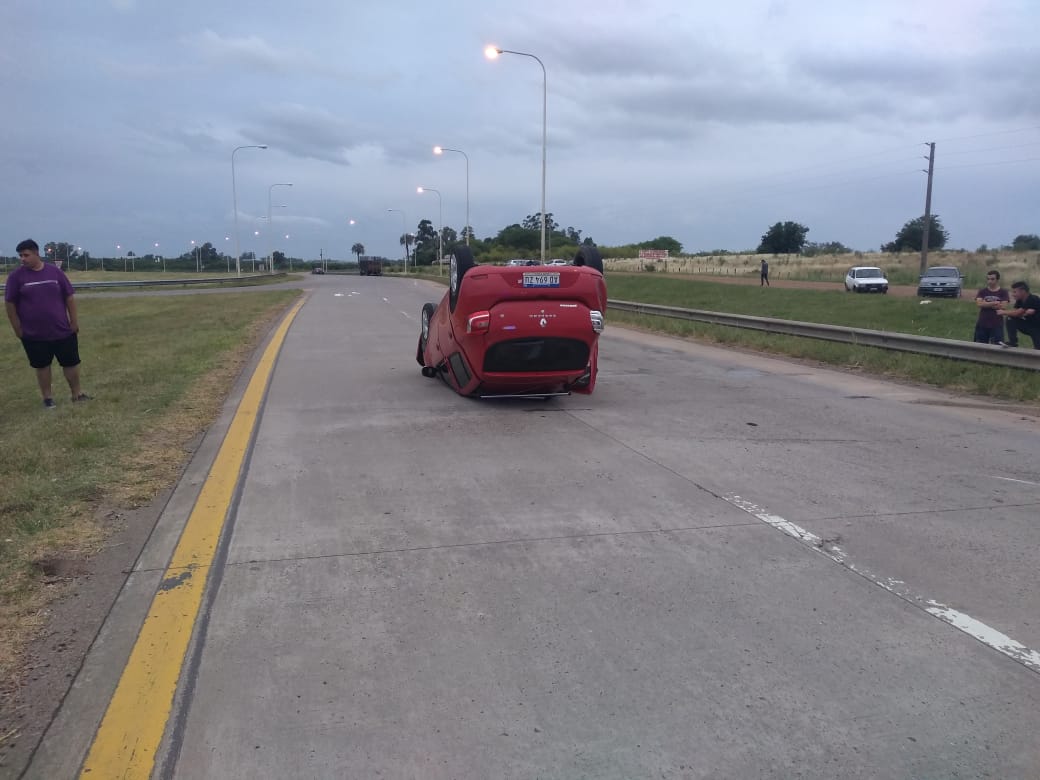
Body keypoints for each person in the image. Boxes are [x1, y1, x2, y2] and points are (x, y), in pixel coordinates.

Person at [4, 239, 90, 408]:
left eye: (26, 255)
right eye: (20, 256)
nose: (23, 259)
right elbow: (10, 303)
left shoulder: (54, 272)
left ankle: (77, 394)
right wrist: (17, 328)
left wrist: (73, 321)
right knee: (42, 366)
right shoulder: (16, 277)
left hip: (62, 330)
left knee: (70, 363)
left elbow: (69, 297)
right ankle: (48, 398)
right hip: (34, 334)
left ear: (37, 253)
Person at [996, 281, 1040, 349]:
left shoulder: (1032, 298)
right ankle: (1013, 342)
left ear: (1023, 291)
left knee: (1038, 350)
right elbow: (1015, 313)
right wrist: (1023, 313)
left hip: (1037, 328)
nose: (1013, 294)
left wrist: (1003, 312)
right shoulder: (1019, 300)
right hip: (1029, 325)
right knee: (1010, 318)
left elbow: (1017, 313)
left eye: (1015, 292)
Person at [973, 270, 1008, 344]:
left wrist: (985, 303)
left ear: (997, 280)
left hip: (997, 324)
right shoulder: (982, 291)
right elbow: (979, 304)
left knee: (998, 346)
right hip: (982, 323)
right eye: (988, 279)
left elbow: (1003, 306)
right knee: (980, 346)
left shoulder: (1003, 292)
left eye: (992, 279)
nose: (989, 281)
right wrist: (994, 303)